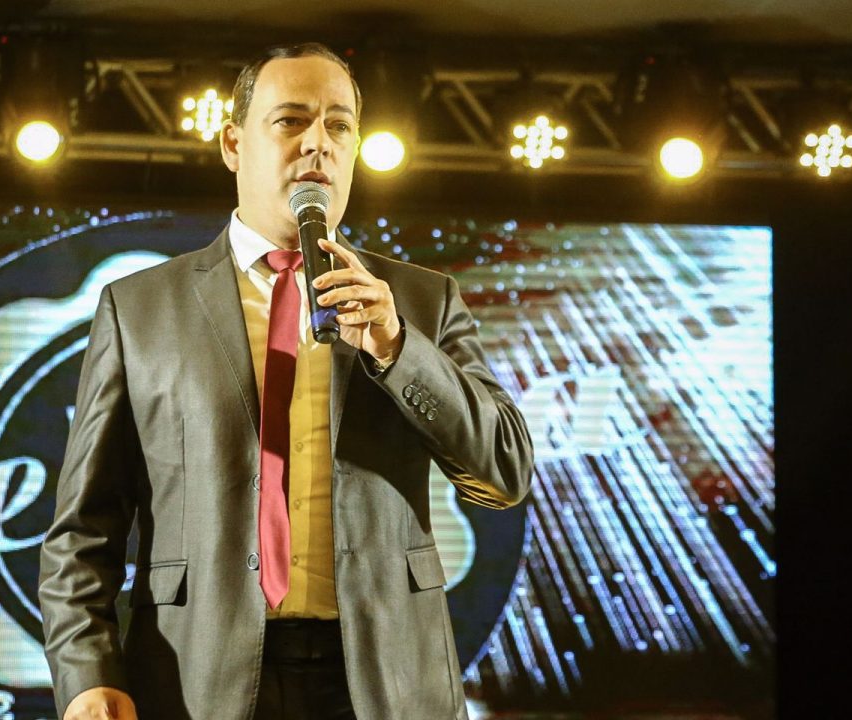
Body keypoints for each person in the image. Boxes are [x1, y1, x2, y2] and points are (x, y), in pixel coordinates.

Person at [39, 42, 534, 720]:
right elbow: (83, 529)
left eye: (339, 125)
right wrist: (87, 673)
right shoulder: (141, 310)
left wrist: (395, 347)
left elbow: (503, 473)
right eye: (291, 120)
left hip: (386, 680)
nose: (318, 143)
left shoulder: (420, 300)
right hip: (196, 677)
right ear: (233, 144)